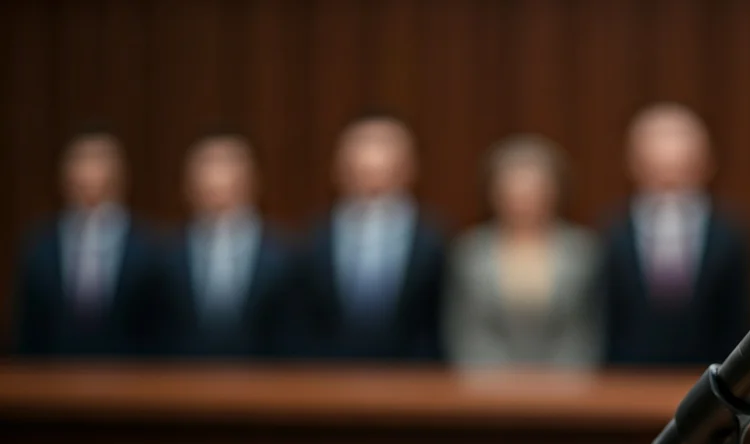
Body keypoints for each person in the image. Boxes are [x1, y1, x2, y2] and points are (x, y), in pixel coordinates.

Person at [601, 103, 750, 365]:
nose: (669, 180)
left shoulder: (731, 236)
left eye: (681, 169)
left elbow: (737, 319)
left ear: (705, 166)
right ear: (635, 166)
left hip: (712, 377)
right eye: (658, 170)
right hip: (628, 379)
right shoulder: (612, 234)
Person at [291, 114, 446, 360]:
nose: (373, 165)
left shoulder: (434, 240)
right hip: (327, 379)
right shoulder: (313, 239)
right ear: (339, 168)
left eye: (385, 150)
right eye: (362, 153)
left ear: (408, 167)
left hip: (414, 382)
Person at [444, 135, 602, 368]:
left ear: (554, 191)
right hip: (484, 389)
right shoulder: (470, 252)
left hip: (568, 389)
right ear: (494, 193)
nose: (524, 200)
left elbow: (587, 330)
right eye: (514, 190)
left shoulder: (582, 251)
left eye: (533, 190)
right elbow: (462, 329)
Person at [14, 126, 165, 357]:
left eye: (100, 160)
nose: (91, 172)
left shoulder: (149, 249)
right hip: (52, 377)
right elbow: (27, 331)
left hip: (132, 379)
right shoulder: (40, 246)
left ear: (121, 173)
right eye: (82, 160)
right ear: (64, 173)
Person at [162, 130, 292, 358]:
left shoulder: (284, 259)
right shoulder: (164, 260)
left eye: (230, 163)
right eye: (207, 164)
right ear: (186, 182)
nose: (218, 176)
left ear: (254, 177)